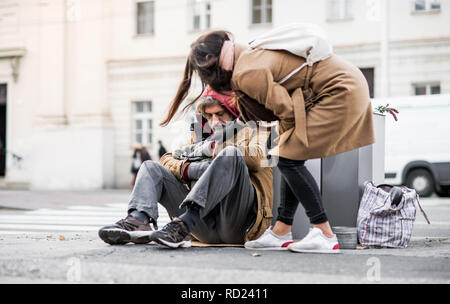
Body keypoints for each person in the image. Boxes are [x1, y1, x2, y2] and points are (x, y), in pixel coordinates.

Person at [160, 30, 375, 253]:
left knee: (287, 159)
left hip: (338, 91)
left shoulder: (245, 71)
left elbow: (286, 111)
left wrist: (280, 139)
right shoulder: (246, 54)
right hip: (339, 85)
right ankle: (281, 231)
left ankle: (324, 233)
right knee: (287, 156)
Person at [99, 88, 273, 248]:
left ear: (234, 112)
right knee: (151, 168)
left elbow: (257, 158)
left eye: (220, 114)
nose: (214, 121)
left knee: (231, 154)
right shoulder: (200, 133)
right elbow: (166, 159)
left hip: (236, 223)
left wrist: (214, 147)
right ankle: (138, 220)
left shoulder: (258, 127)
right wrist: (188, 169)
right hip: (203, 228)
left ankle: (184, 224)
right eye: (209, 116)